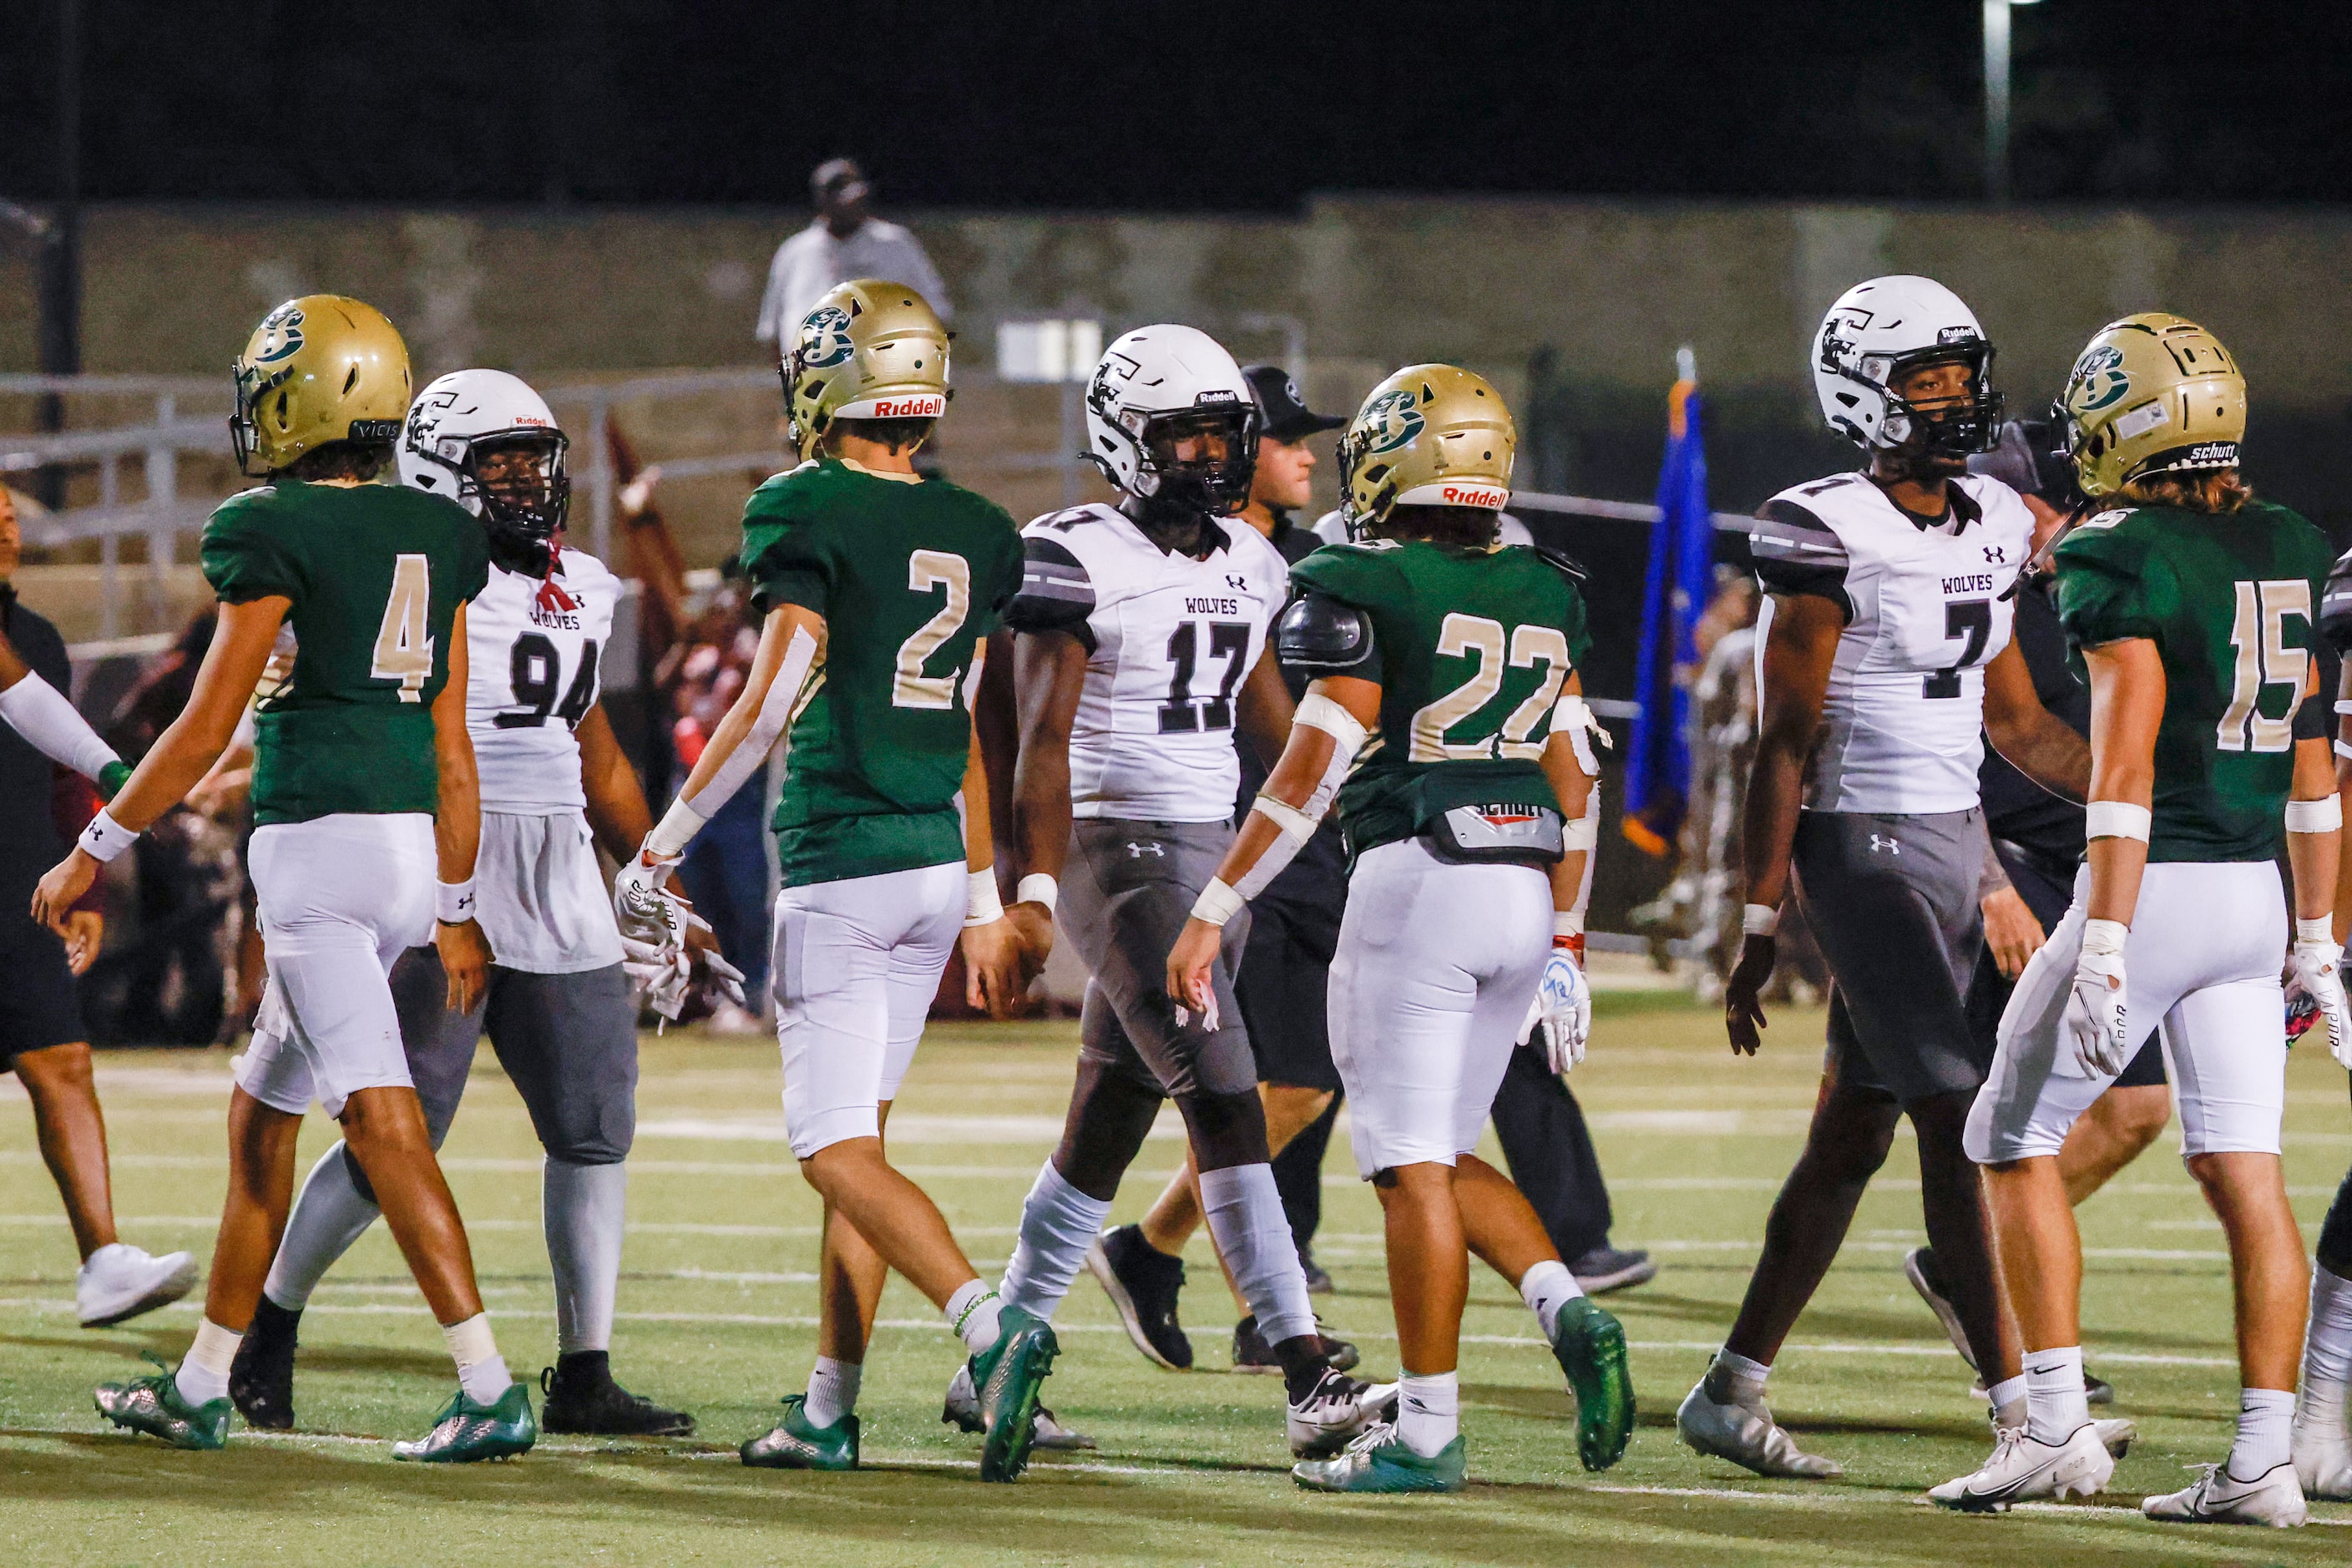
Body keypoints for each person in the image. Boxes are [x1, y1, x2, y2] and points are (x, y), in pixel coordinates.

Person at [38, 295, 530, 1460]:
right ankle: (207, 1376)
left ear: (300, 403)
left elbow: (207, 724)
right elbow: (453, 748)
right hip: (409, 851)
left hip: (321, 857)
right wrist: (456, 904)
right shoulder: (439, 530)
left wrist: (92, 846)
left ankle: (489, 1380)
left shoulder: (269, 526)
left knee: (378, 1118)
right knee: (258, 1119)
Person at [614, 279, 1058, 1482]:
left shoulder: (802, 504)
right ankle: (828, 1406)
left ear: (826, 381)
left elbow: (764, 704)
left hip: (843, 862)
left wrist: (660, 839)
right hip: (927, 865)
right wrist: (981, 900)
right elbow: (968, 723)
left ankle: (992, 1324)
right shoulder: (973, 524)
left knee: (830, 1150)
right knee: (860, 1149)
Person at [1167, 363, 1635, 1493]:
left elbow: (1304, 777)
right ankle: (1565, 1306)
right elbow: (1579, 778)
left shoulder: (1358, 584)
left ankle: (1426, 1430)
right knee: (1443, 1149)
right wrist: (1569, 946)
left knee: (1402, 1163)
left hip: (1416, 881)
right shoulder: (1543, 585)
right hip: (1524, 889)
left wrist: (1214, 903)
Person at [223, 369, 708, 1439]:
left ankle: (585, 1371)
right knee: (399, 1127)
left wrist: (653, 873)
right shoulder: (412, 575)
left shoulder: (583, 580)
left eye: (536, 457)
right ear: (444, 472)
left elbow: (593, 748)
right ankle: (271, 1325)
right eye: (500, 461)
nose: (527, 479)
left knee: (593, 1130)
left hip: (559, 874)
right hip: (442, 861)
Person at [1688, 276, 2092, 1481]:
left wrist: (2134, 791)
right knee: (1957, 1113)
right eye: (1925, 379)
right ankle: (2024, 1408)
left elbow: (2015, 724)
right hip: (1853, 842)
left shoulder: (1997, 518)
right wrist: (1761, 912)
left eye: (1962, 372)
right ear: (1860, 395)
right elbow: (1785, 742)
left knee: (1855, 1129)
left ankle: (1730, 1386)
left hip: (1947, 831)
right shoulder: (1821, 529)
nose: (1955, 397)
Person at [1949, 314, 2341, 1525]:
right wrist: (2317, 938)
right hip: (2253, 896)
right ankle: (2265, 1462)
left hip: (2155, 884)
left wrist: (2105, 940)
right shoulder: (2286, 537)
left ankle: (2055, 1426)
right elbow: (2317, 769)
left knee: (2003, 1141)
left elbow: (2119, 769)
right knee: (2246, 1170)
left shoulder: (2116, 550)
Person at [984, 325, 1390, 1462]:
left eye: (1225, 431)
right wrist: (1026, 887)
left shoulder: (1254, 562)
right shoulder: (1074, 551)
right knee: (1224, 1090)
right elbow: (1042, 743)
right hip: (1115, 847)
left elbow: (1269, 722)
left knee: (1103, 1129)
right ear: (1124, 440)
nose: (1211, 453)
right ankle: (1305, 1365)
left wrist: (1365, 791)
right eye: (1186, 433)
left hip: (1210, 850)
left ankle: (995, 1354)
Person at [1904, 417, 2171, 1408]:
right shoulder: (1971, 588)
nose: (2073, 525)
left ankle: (1967, 1274)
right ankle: (2008, 1341)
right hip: (2007, 872)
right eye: (2060, 507)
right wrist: (1990, 883)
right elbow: (1941, 745)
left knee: (2133, 1112)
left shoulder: (2088, 585)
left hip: (2088, 870)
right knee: (1995, 1123)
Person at [1098, 363, 1357, 1372]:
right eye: (1286, 437)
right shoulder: (1130, 555)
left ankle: (1164, 1258)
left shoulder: (1277, 559)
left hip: (1280, 836)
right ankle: (1265, 1314)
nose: (1301, 456)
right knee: (1258, 1087)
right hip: (1210, 838)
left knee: (1281, 1085)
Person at [0, 487, 195, 1328]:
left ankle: (105, 1260)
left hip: (13, 877)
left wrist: (111, 783)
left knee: (60, 1057)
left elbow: (21, 697)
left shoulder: (29, 637)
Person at [755, 159, 950, 349]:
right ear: (822, 201)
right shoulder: (796, 250)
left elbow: (936, 311)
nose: (852, 206)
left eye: (857, 198)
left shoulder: (894, 243)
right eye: (842, 199)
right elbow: (772, 328)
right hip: (813, 373)